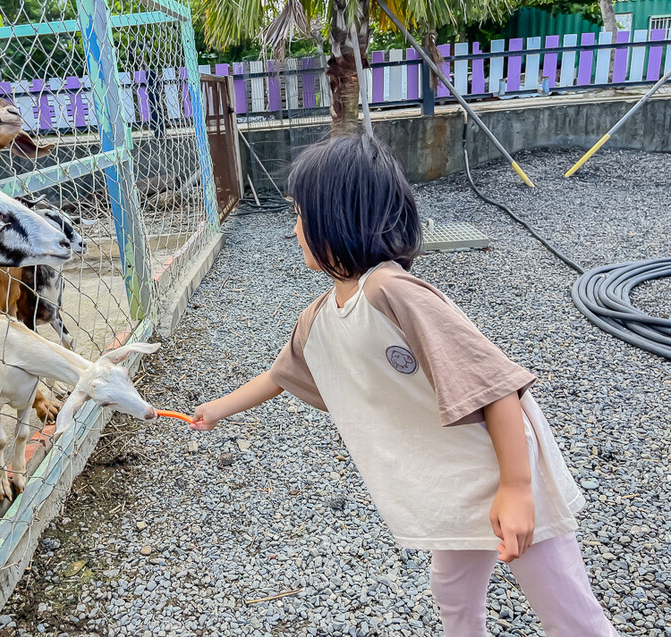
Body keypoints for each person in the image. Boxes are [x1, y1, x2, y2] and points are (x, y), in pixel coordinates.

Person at [191, 135, 619, 637]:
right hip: (452, 483)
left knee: (567, 609)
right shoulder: (321, 317)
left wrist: (517, 489)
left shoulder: (391, 290)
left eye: (302, 214)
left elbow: (497, 385)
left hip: (498, 464)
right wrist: (217, 409)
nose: (295, 229)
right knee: (453, 591)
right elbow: (280, 375)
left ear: (341, 217)